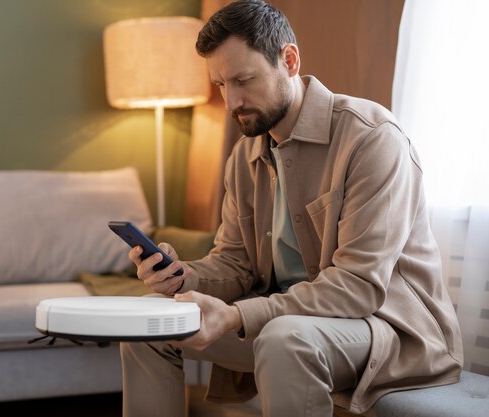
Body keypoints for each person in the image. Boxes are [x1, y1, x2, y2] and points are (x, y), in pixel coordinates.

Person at [121, 1, 463, 416]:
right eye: (221, 85)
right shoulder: (243, 157)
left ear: (289, 59)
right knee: (147, 326)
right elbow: (235, 262)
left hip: (387, 329)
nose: (231, 103)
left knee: (284, 338)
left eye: (244, 80)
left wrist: (236, 316)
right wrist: (183, 276)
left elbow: (358, 287)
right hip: (291, 324)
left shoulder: (373, 139)